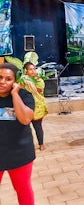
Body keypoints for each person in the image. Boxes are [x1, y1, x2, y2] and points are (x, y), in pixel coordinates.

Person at [0, 62, 35, 205]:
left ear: (16, 81)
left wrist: (15, 94)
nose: (2, 82)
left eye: (8, 79)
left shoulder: (24, 96)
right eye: (0, 77)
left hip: (19, 153)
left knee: (23, 190)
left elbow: (25, 119)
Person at [21, 62, 47, 151]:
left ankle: (41, 144)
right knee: (24, 129)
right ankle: (26, 145)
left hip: (37, 107)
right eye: (30, 69)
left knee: (38, 126)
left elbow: (39, 89)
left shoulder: (38, 80)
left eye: (34, 69)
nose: (33, 71)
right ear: (25, 71)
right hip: (25, 107)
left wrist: (30, 83)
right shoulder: (22, 81)